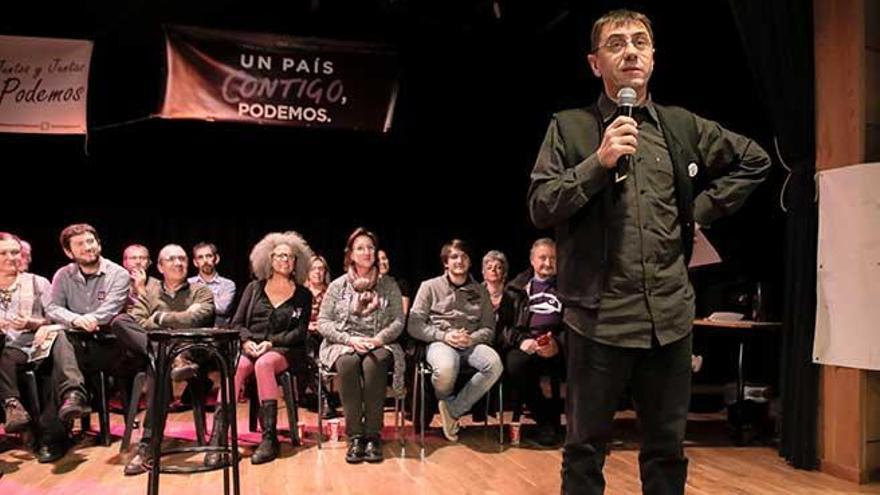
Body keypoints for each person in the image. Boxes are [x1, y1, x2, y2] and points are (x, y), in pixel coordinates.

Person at [527, 9, 771, 494]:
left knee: (665, 453)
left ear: (654, 58)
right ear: (596, 64)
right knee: (584, 451)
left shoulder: (682, 128)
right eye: (616, 44)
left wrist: (698, 211)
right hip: (599, 320)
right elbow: (540, 205)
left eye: (640, 41)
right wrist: (597, 163)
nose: (631, 51)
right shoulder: (570, 128)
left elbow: (754, 160)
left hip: (670, 317)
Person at [204, 231, 312, 466]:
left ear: (296, 262)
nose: (285, 260)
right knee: (236, 366)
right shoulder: (254, 288)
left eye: (290, 256)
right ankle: (218, 439)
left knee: (264, 364)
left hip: (284, 350)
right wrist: (246, 342)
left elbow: (299, 332)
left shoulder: (303, 294)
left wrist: (271, 343)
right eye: (279, 256)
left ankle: (269, 438)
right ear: (269, 260)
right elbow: (237, 323)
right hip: (251, 348)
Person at [110, 244, 215, 475]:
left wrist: (159, 318)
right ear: (159, 266)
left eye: (182, 259)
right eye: (172, 259)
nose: (178, 263)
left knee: (156, 364)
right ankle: (167, 357)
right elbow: (137, 320)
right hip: (161, 354)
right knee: (121, 323)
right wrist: (174, 322)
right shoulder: (149, 293)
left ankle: (148, 444)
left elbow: (197, 318)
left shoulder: (201, 291)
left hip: (192, 351)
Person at [317, 228, 405, 464]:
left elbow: (398, 321)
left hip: (379, 341)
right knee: (348, 363)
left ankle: (373, 435)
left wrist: (377, 340)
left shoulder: (389, 285)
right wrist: (349, 340)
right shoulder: (338, 286)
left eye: (370, 247)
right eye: (360, 248)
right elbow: (323, 322)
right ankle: (355, 435)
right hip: (344, 341)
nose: (366, 252)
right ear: (351, 255)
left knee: (374, 364)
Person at [0, 232, 89, 463]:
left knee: (58, 344)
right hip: (9, 350)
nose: (11, 257)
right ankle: (13, 407)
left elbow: (56, 315)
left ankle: (59, 422)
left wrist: (36, 323)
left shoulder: (37, 282)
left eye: (15, 252)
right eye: (4, 253)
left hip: (39, 343)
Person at [408, 239, 502, 442]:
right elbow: (414, 325)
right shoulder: (429, 287)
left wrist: (472, 338)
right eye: (454, 256)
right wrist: (444, 336)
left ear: (469, 261)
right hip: (441, 340)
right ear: (446, 263)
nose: (459, 260)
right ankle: (447, 401)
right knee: (446, 366)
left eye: (464, 256)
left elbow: (489, 329)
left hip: (471, 342)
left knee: (494, 364)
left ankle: (451, 408)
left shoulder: (480, 291)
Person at [498, 238, 565, 447]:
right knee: (517, 364)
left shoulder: (570, 288)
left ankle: (586, 429)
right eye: (542, 258)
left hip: (560, 346)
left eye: (553, 258)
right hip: (527, 344)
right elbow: (502, 329)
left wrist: (558, 344)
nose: (547, 263)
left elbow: (578, 326)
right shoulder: (515, 289)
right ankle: (546, 421)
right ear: (532, 260)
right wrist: (521, 341)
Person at [189, 242, 237, 327]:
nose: (205, 260)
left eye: (209, 256)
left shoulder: (227, 284)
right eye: (200, 257)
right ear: (195, 262)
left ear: (216, 259)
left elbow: (222, 309)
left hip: (218, 336)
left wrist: (197, 304)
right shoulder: (189, 283)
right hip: (193, 333)